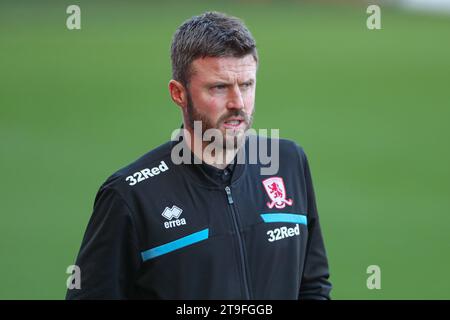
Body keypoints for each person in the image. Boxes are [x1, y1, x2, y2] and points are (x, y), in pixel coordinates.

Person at [66, 11, 332, 300]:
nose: (237, 103)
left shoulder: (288, 162)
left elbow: (313, 287)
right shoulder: (131, 197)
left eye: (247, 85)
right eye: (219, 87)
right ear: (178, 93)